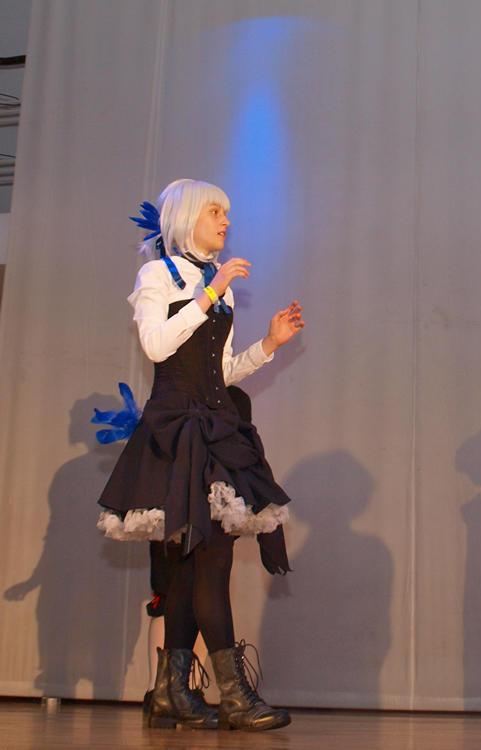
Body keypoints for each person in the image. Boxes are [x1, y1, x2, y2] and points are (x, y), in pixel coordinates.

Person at [97, 179, 304, 731]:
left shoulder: (219, 287)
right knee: (208, 565)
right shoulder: (158, 276)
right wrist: (209, 294)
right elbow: (157, 346)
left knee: (193, 569)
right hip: (175, 434)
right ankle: (233, 697)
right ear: (188, 217)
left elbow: (222, 372)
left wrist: (269, 345)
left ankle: (172, 692)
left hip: (214, 429)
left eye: (226, 213)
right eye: (216, 211)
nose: (226, 221)